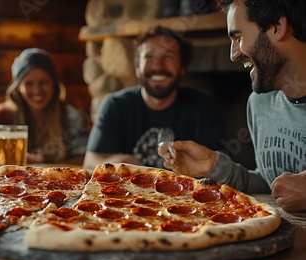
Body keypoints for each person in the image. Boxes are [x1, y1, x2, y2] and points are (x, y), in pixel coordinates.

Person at [158, 0, 306, 213]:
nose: (233, 54)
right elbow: (271, 186)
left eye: (238, 37)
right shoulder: (260, 103)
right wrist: (214, 167)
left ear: (277, 26)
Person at [83, 26, 223, 171]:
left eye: (168, 56)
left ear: (182, 68)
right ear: (138, 68)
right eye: (149, 57)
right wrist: (121, 161)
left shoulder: (205, 105)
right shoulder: (116, 105)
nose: (158, 65)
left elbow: (217, 167)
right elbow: (89, 163)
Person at [0, 48, 89, 166]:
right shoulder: (2, 114)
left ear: (54, 84)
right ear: (18, 87)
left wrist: (46, 168)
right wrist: (13, 154)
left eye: (44, 82)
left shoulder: (70, 115)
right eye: (29, 83)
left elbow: (84, 157)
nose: (37, 90)